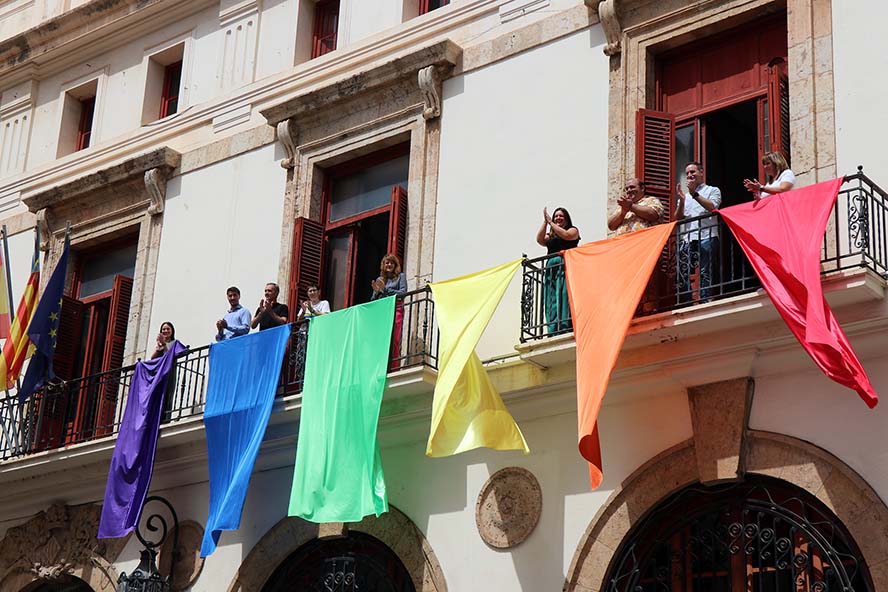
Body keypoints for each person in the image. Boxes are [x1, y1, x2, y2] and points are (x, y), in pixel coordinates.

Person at [675, 162, 722, 303]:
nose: (689, 175)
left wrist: (694, 194)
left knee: (704, 272)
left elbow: (712, 207)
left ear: (701, 172)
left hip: (707, 236)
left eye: (693, 172)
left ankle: (705, 300)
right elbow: (677, 217)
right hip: (688, 239)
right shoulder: (686, 196)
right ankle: (687, 302)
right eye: (687, 173)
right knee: (683, 273)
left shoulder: (712, 190)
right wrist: (682, 201)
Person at [536, 206, 580, 333]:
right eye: (556, 216)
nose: (558, 218)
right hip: (550, 267)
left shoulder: (573, 230)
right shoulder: (552, 235)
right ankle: (552, 327)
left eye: (561, 216)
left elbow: (566, 236)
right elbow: (539, 240)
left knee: (563, 294)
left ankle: (564, 325)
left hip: (564, 264)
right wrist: (545, 222)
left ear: (566, 218)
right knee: (550, 297)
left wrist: (551, 223)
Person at [371, 254, 407, 370]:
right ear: (383, 265)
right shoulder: (380, 280)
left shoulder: (401, 277)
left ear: (395, 265)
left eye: (391, 263)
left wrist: (385, 289)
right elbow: (373, 299)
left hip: (396, 308)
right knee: (382, 339)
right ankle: (381, 366)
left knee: (395, 338)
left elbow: (403, 293)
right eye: (387, 263)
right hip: (382, 310)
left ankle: (394, 368)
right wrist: (377, 292)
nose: (389, 265)